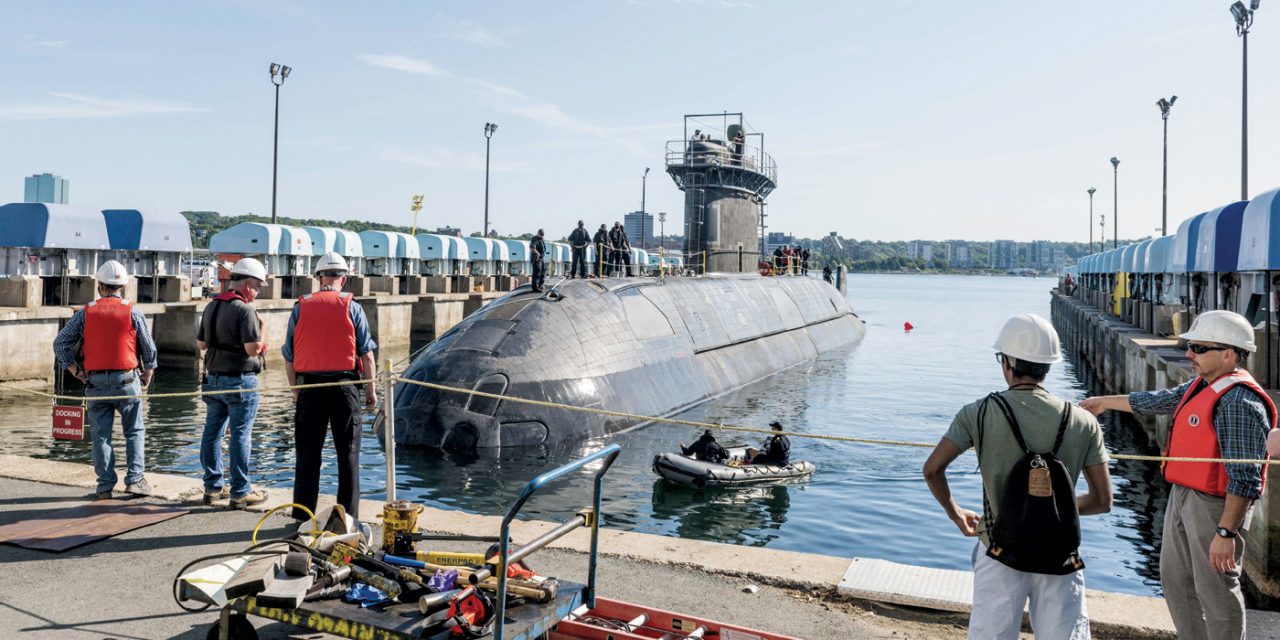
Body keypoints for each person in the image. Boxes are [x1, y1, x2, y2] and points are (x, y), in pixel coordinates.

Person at [1080, 310, 1275, 640]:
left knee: (1216, 591)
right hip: (1184, 494)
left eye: (1199, 348)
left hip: (1216, 506)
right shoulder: (1203, 385)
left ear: (1228, 354)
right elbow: (1160, 400)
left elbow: (1245, 477)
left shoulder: (1240, 401)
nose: (1189, 354)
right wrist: (1104, 403)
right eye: (1190, 346)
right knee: (1175, 581)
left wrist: (1226, 534)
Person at [924, 313, 1111, 640]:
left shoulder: (978, 412)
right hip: (1059, 556)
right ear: (1049, 365)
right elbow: (1102, 501)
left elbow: (933, 469)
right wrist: (1049, 511)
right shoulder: (1083, 422)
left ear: (1007, 362)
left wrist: (956, 514)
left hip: (999, 549)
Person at [283, 252, 378, 521]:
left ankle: (301, 518)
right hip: (345, 388)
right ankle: (347, 520)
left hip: (310, 389)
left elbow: (289, 355)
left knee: (307, 457)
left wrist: (295, 390)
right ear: (343, 279)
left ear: (318, 277)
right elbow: (367, 355)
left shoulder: (301, 306)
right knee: (348, 457)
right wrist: (370, 390)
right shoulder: (352, 307)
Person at [53, 260, 158, 500]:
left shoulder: (85, 313)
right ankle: (135, 481)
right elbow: (149, 348)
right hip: (127, 380)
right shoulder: (133, 310)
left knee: (101, 435)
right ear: (122, 286)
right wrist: (148, 372)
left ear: (100, 286)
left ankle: (104, 487)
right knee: (134, 431)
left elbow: (60, 343)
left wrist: (74, 370)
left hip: (95, 383)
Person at [197, 257, 269, 508]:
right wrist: (262, 328)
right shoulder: (245, 309)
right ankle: (240, 491)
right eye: (258, 286)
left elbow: (201, 344)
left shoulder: (211, 306)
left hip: (213, 378)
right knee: (240, 434)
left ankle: (212, 487)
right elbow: (252, 349)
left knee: (212, 433)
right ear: (248, 284)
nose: (258, 291)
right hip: (239, 380)